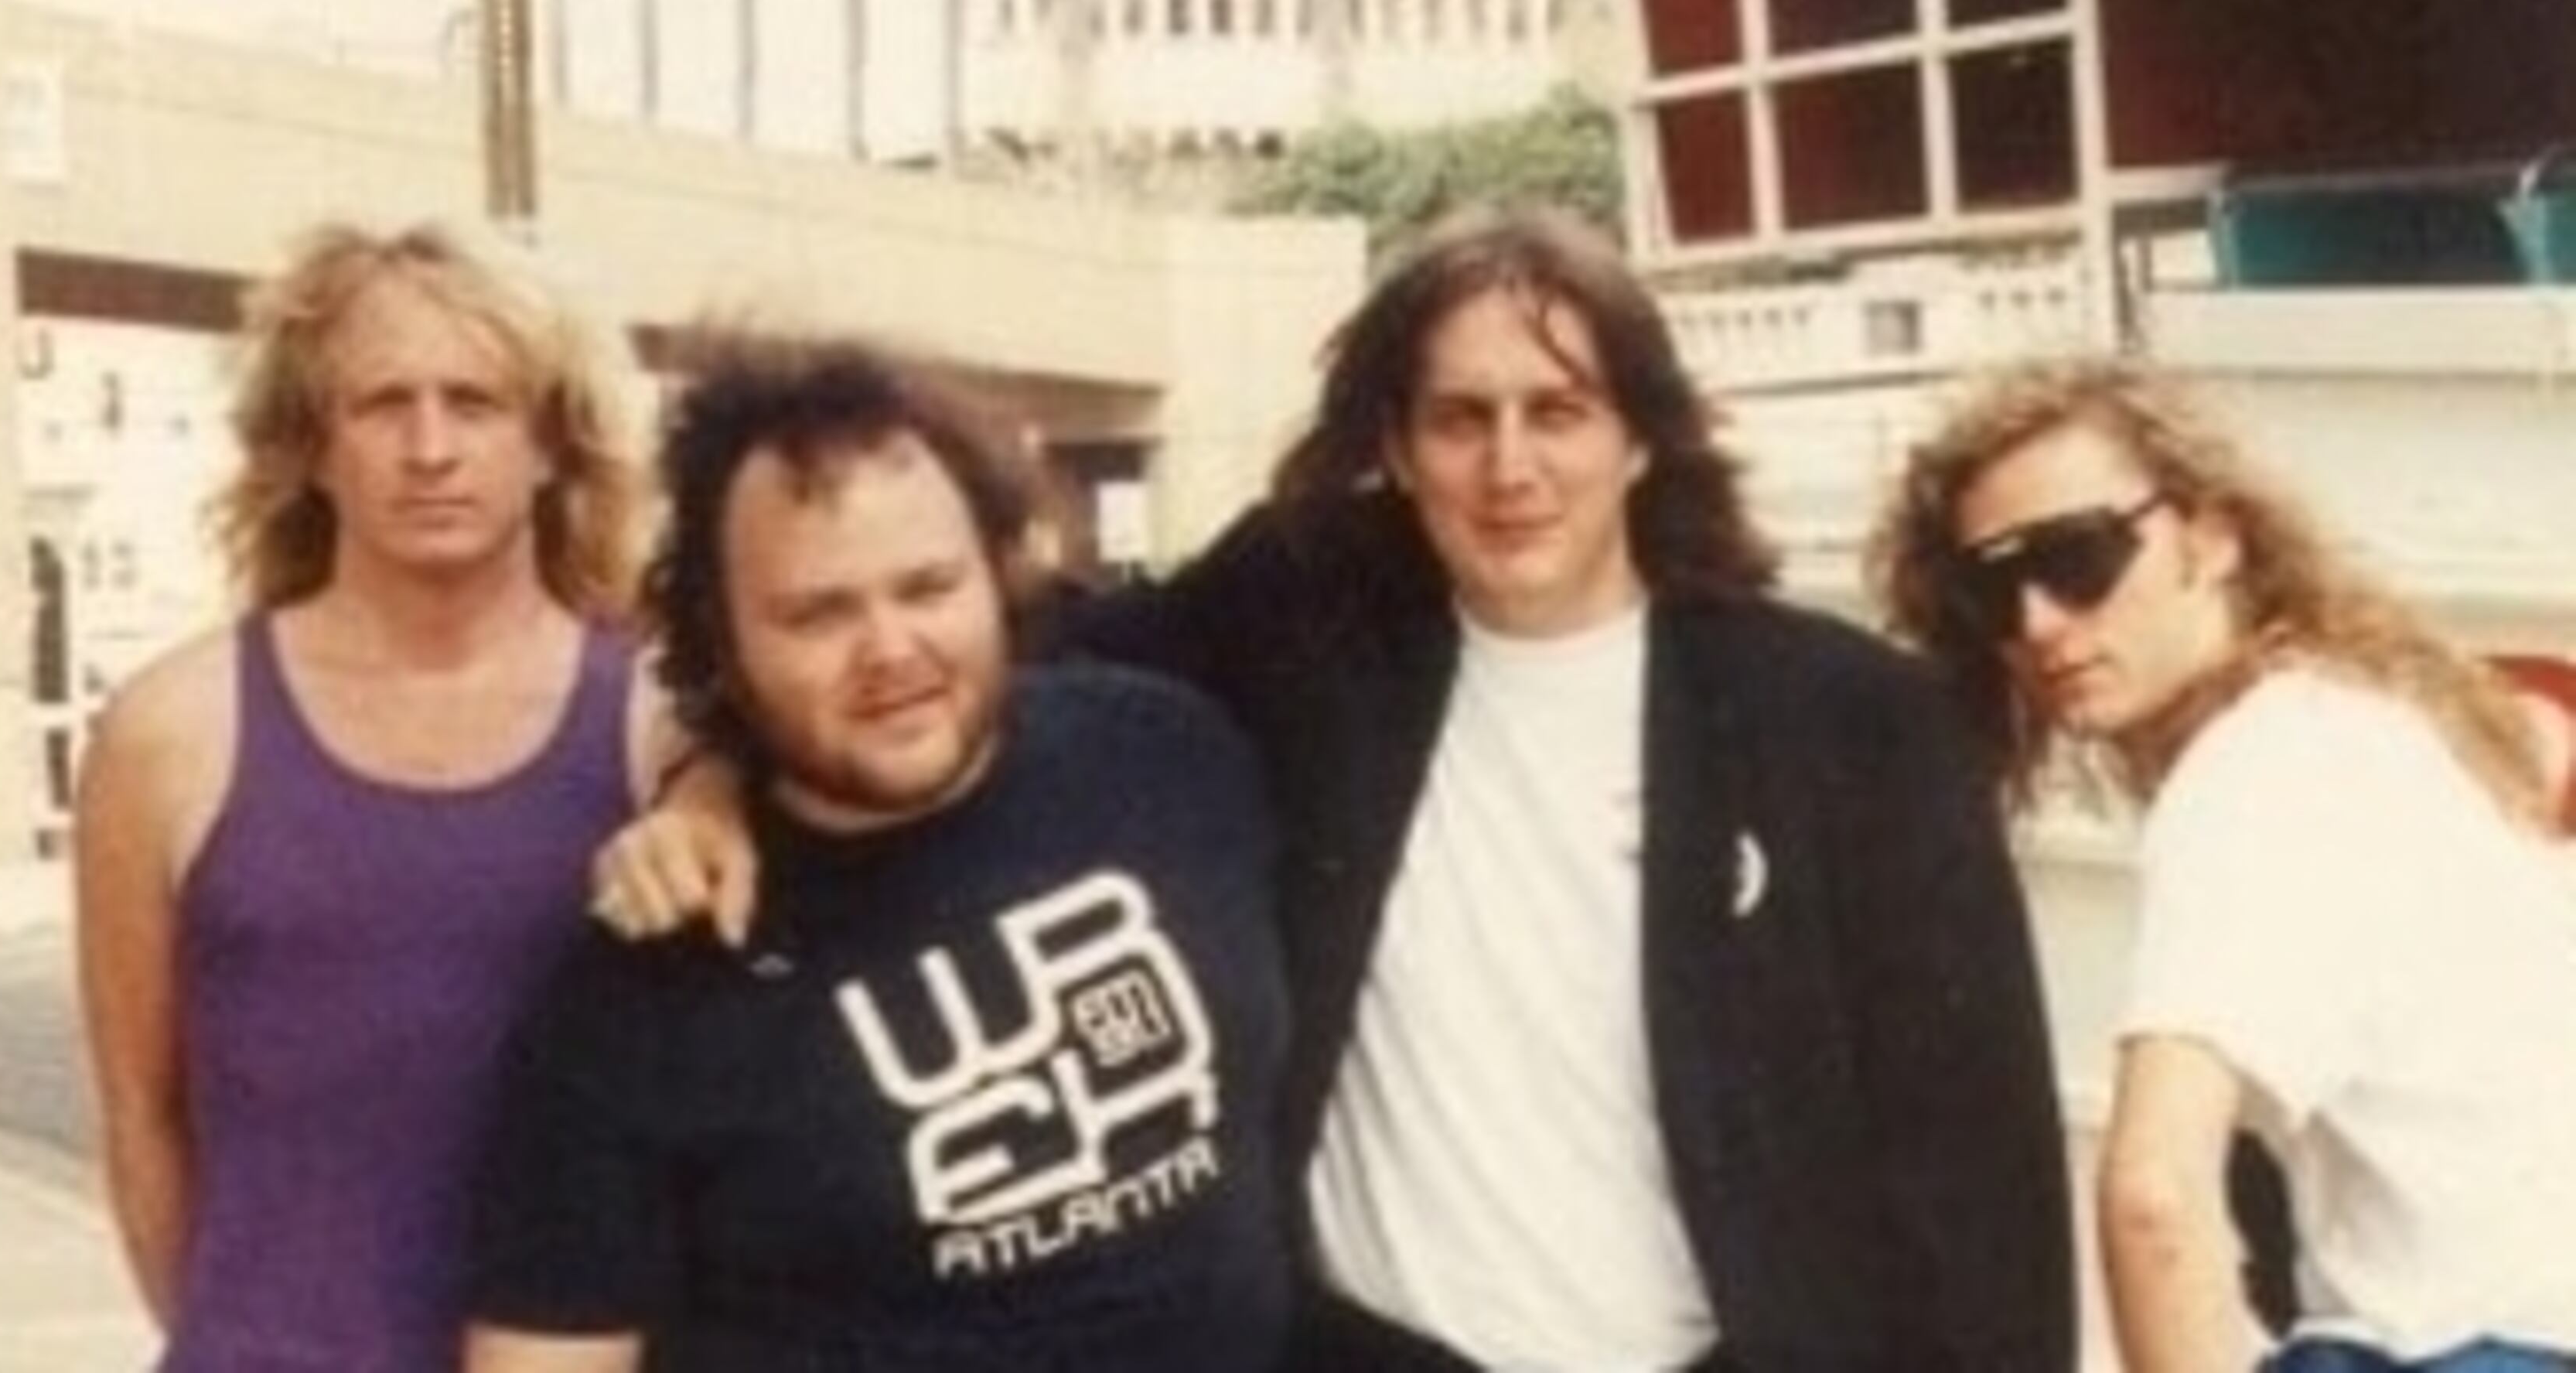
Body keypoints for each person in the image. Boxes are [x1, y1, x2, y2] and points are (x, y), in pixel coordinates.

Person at [602, 212, 2076, 1372]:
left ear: (1638, 434)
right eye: (1459, 418)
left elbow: (1978, 1187)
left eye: (1558, 411)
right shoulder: (1309, 621)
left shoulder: (1840, 721)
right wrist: (715, 775)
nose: (1511, 468)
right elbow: (951, 666)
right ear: (1394, 447)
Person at [464, 335, 1291, 1371]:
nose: (891, 650)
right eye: (818, 613)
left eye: (928, 587)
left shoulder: (1172, 756)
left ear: (999, 573)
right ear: (721, 639)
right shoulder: (644, 986)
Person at [1868, 355, 2576, 1373]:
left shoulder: (2257, 771)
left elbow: (2156, 1198)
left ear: (2212, 536)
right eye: (1992, 587)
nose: (2037, 623)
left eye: (2079, 558)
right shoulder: (2359, 711)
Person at [72, 222, 641, 1371]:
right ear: (311, 447)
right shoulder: (169, 735)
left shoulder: (663, 729)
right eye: (383, 404)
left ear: (550, 443)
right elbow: (143, 1116)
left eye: (476, 402)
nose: (430, 447)